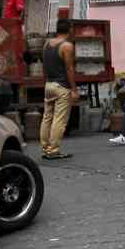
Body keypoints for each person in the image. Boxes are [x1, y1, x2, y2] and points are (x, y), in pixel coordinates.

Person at [39, 19, 78, 160]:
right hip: (61, 86)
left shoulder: (46, 44)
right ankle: (53, 150)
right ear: (70, 29)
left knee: (47, 117)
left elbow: (44, 66)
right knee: (59, 120)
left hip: (49, 84)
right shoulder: (67, 46)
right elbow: (69, 68)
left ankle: (45, 148)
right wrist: (74, 89)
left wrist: (47, 81)